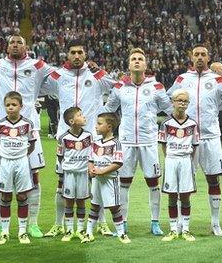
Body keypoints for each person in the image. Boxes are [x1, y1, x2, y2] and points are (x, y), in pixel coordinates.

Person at [0, 34, 55, 240]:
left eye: (19, 42)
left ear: (26, 46)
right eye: (12, 42)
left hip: (29, 129)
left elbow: (61, 76)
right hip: (2, 130)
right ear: (7, 46)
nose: (15, 45)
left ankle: (33, 224)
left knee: (34, 174)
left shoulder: (38, 65)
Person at [42, 39, 115, 238]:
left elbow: (116, 88)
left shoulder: (95, 75)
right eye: (72, 52)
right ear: (67, 55)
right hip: (65, 138)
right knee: (61, 181)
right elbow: (38, 87)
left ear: (85, 54)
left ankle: (101, 223)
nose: (76, 56)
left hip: (91, 139)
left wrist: (99, 70)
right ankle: (59, 224)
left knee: (96, 180)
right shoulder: (59, 75)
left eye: (80, 52)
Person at [102, 48, 172, 236]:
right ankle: (123, 223)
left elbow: (170, 110)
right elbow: (109, 110)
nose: (137, 61)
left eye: (140, 58)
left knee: (153, 182)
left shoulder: (156, 87)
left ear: (146, 65)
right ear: (129, 64)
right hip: (126, 142)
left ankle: (155, 222)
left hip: (149, 141)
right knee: (124, 183)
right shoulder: (119, 87)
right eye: (133, 58)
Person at [168, 45, 222, 236]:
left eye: (203, 54)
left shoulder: (217, 79)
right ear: (191, 57)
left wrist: (211, 112)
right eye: (197, 55)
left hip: (211, 136)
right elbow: (169, 98)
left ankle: (215, 223)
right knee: (183, 182)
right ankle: (180, 223)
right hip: (186, 138)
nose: (200, 57)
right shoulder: (182, 79)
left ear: (208, 57)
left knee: (213, 179)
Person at [0, 92, 37, 245]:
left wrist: (22, 155)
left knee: (22, 196)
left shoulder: (27, 124)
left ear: (20, 106)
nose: (10, 107)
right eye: (8, 105)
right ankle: (4, 232)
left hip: (22, 162)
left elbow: (32, 144)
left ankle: (22, 232)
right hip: (5, 163)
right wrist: (7, 154)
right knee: (5, 196)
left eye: (14, 105)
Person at [83, 113, 130, 244]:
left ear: (109, 127)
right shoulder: (95, 143)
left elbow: (118, 163)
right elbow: (90, 159)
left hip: (110, 180)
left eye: (99, 124)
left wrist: (102, 171)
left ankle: (121, 233)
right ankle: (88, 233)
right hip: (97, 180)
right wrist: (91, 169)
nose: (96, 126)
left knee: (114, 207)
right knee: (94, 205)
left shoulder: (116, 143)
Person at [159, 89, 199, 242]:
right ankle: (173, 229)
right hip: (171, 160)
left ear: (188, 104)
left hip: (186, 160)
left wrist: (188, 159)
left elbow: (195, 146)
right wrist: (170, 157)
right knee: (171, 195)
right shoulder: (166, 123)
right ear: (173, 102)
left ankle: (186, 230)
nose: (182, 103)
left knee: (185, 195)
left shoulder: (192, 124)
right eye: (179, 100)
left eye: (185, 101)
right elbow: (163, 145)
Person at [56, 107, 93, 242]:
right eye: (80, 115)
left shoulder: (88, 135)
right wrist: (69, 167)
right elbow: (60, 156)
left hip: (83, 173)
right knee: (69, 201)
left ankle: (81, 229)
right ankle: (70, 230)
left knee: (82, 201)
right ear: (72, 121)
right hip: (70, 174)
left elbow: (91, 154)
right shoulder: (63, 138)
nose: (83, 117)